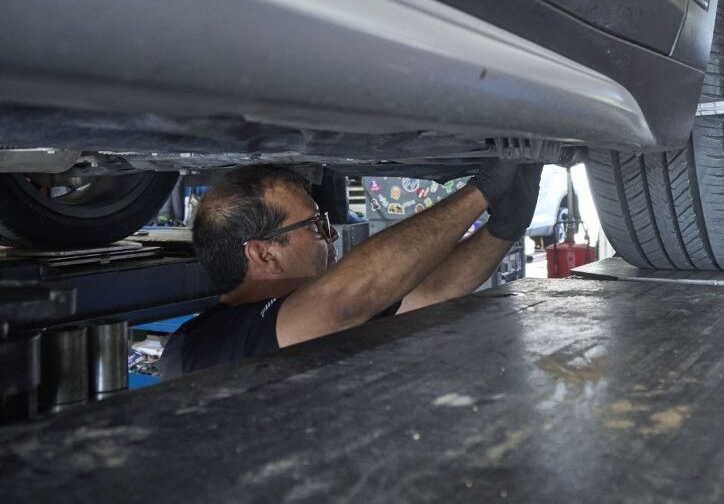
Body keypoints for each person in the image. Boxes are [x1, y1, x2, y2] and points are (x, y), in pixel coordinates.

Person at [159, 161, 542, 379]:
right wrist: (480, 192)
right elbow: (340, 302)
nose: (331, 239)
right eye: (315, 227)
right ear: (264, 255)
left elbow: (433, 291)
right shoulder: (201, 347)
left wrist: (502, 229)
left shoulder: (296, 317)